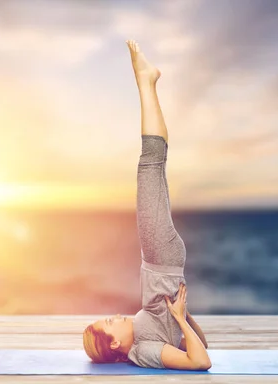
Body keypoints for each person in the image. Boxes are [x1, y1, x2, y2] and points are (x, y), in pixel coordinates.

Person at [82, 40, 211, 370]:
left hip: (159, 260)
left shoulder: (143, 339)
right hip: (159, 258)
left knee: (155, 163)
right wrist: (181, 320)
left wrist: (183, 317)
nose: (113, 316)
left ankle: (147, 81)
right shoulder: (143, 350)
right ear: (114, 343)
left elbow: (199, 346)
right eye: (108, 323)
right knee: (150, 164)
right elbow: (200, 361)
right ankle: (146, 81)